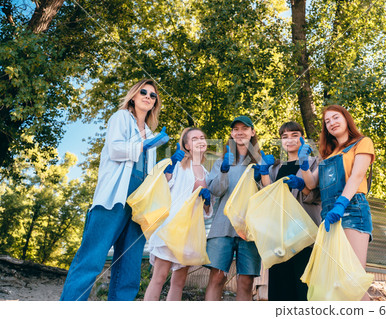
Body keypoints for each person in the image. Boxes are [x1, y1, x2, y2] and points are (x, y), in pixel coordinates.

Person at [60, 79, 182, 301]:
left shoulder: (152, 135)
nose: (147, 96)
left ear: (155, 103)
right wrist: (142, 146)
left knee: (129, 270)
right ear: (133, 96)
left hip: (138, 207)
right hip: (113, 200)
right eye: (143, 92)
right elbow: (115, 150)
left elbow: (150, 178)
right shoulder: (121, 118)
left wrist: (170, 165)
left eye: (152, 95)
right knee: (91, 260)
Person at [300, 105, 375, 301]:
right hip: (329, 216)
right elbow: (311, 183)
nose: (332, 123)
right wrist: (304, 165)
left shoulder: (363, 142)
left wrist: (341, 204)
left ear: (346, 119)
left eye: (335, 118)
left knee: (353, 282)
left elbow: (358, 175)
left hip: (352, 209)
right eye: (327, 121)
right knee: (336, 282)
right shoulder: (328, 154)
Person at [204, 115, 274, 301]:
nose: (240, 132)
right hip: (222, 228)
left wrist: (264, 175)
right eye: (236, 129)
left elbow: (270, 196)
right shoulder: (220, 162)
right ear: (232, 134)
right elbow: (216, 191)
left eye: (244, 128)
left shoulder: (262, 161)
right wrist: (224, 171)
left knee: (245, 282)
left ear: (252, 132)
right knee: (217, 278)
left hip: (250, 230)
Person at [143, 127, 212, 301]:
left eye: (202, 137)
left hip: (190, 233)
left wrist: (208, 203)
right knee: (159, 278)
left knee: (179, 282)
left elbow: (206, 213)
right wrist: (170, 166)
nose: (200, 140)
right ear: (187, 145)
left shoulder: (207, 173)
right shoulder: (178, 165)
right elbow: (161, 187)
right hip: (170, 228)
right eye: (194, 138)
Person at [261, 121, 321, 301]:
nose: (289, 140)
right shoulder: (276, 167)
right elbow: (268, 196)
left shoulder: (314, 162)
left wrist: (303, 186)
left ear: (303, 138)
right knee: (280, 289)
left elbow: (317, 195)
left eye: (294, 135)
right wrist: (264, 171)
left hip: (304, 235)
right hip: (279, 236)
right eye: (284, 137)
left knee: (302, 288)